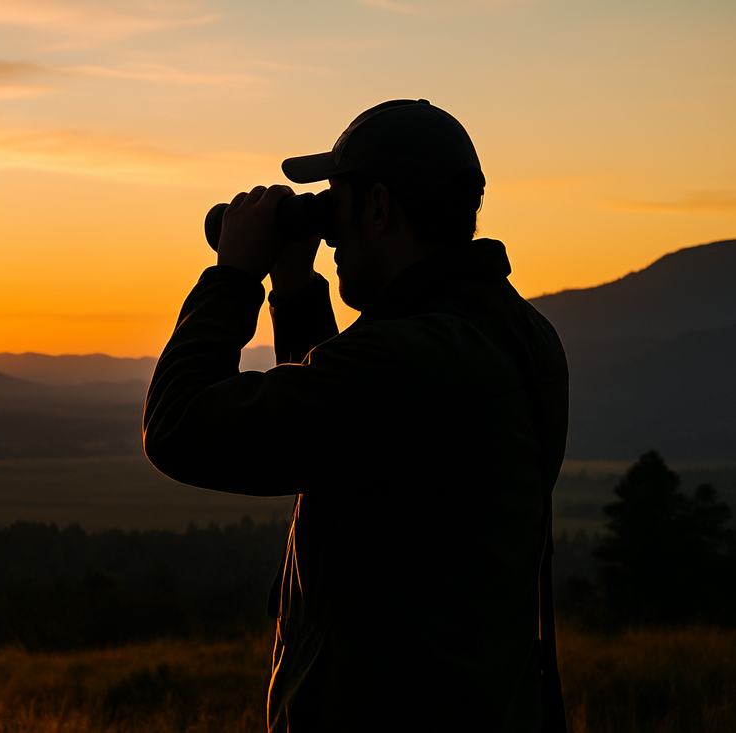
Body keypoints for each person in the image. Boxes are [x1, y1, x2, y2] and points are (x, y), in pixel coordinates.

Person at [143, 99, 569, 732]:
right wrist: (293, 290)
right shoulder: (514, 334)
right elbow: (339, 437)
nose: (329, 231)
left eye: (332, 203)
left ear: (377, 205)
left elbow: (181, 428)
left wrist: (232, 277)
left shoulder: (413, 360)